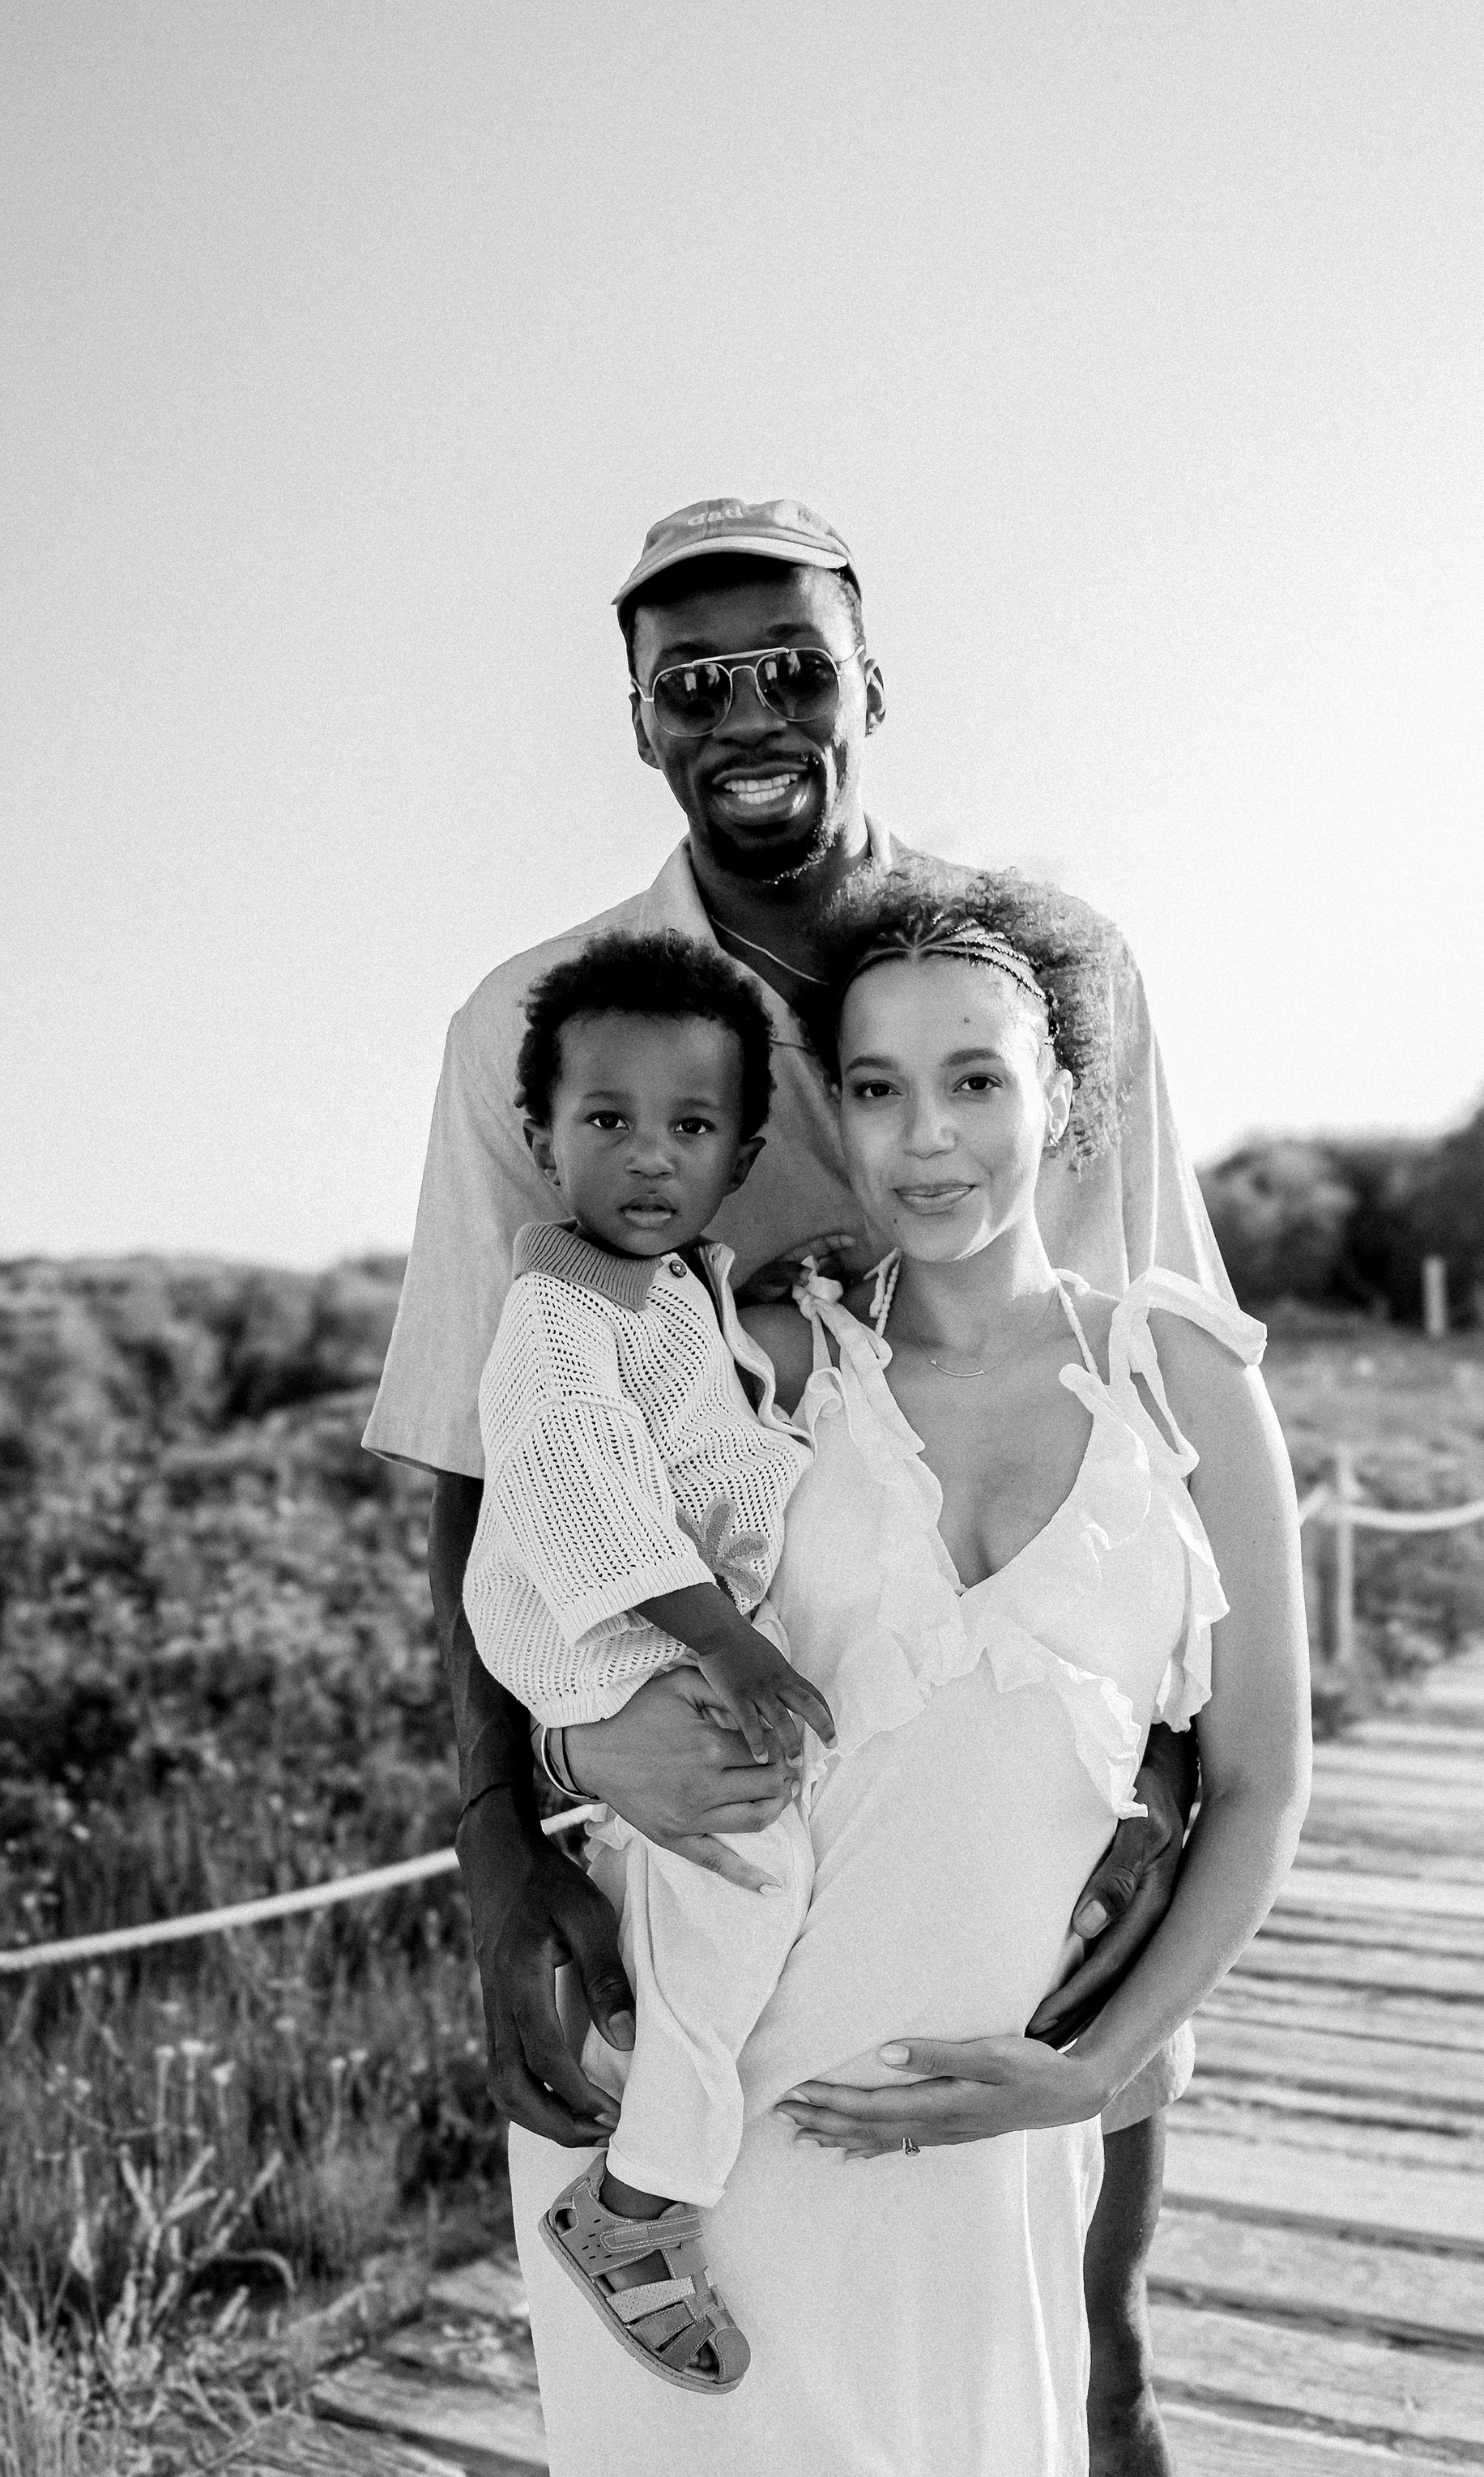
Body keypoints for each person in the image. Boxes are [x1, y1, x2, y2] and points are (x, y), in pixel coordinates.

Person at [365, 497, 1235, 2472]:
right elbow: (483, 1446)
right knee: (749, 2358)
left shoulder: (1041, 973)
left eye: (792, 666)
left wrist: (1164, 1784)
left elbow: (1154, 1377)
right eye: (691, 681)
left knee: (1071, 2376)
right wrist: (504, 1846)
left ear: (868, 685)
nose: (745, 711)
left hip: (1028, 1754)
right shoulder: (538, 1024)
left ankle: (1110, 2394)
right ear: (639, 720)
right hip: (716, 1788)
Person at [510, 872, 1311, 2473]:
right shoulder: (756, 1357)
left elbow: (1262, 1778)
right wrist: (568, 1766)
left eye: (974, 1080)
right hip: (693, 2156)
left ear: (1064, 1100)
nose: (925, 1138)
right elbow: (566, 1640)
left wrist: (1077, 2069)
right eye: (874, 1090)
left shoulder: (1186, 1382)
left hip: (977, 2133)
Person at [463, 929, 837, 2393]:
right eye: (605, 1121)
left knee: (727, 1888)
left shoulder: (667, 1290)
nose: (646, 1157)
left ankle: (655, 2097)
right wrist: (731, 1643)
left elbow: (714, 1424)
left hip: (646, 1637)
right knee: (753, 1887)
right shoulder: (554, 1315)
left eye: (689, 1128)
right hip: (597, 1634)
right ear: (542, 1138)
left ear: (740, 1154)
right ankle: (636, 2207)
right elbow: (582, 1490)